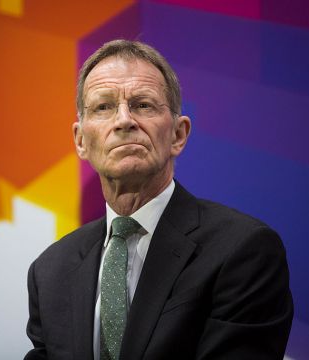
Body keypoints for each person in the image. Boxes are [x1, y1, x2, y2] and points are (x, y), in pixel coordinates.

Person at [24, 39, 293, 360]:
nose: (124, 120)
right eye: (103, 107)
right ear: (81, 141)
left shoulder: (243, 251)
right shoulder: (50, 271)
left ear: (178, 134)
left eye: (143, 105)